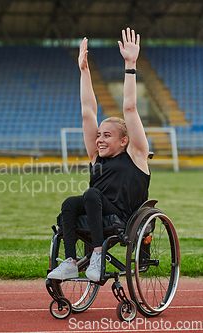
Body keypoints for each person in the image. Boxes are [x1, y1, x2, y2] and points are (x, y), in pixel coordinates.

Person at [47, 28, 150, 282]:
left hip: (123, 218)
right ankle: (71, 261)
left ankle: (96, 255)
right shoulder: (96, 156)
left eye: (107, 135)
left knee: (91, 194)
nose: (99, 139)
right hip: (98, 212)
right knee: (71, 203)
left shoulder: (136, 155)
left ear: (124, 141)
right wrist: (84, 72)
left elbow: (130, 107)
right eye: (99, 135)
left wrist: (130, 64)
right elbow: (87, 112)